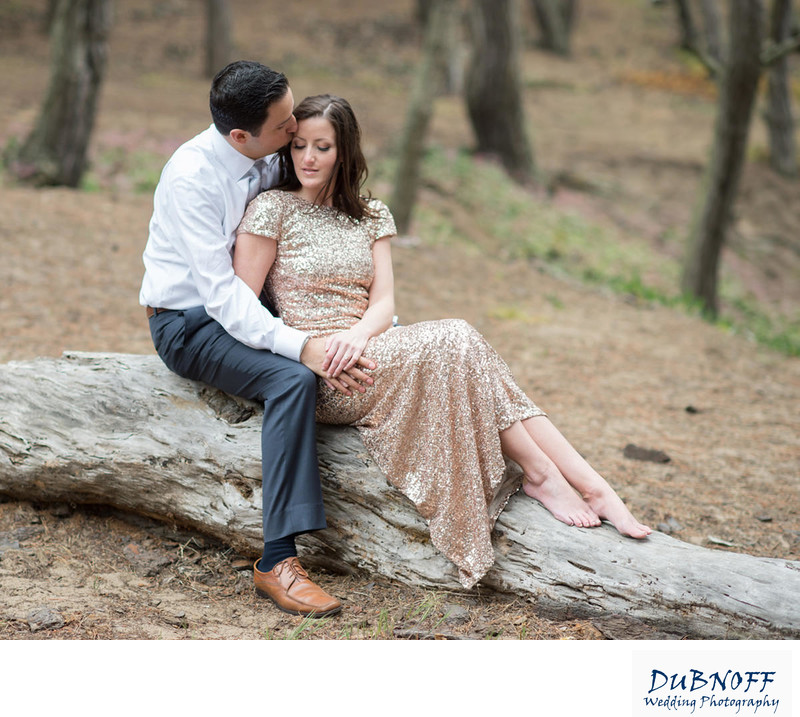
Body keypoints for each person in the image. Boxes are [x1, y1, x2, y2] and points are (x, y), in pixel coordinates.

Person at [233, 94, 652, 589]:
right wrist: (314, 349)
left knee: (466, 353)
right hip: (324, 371)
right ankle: (558, 478)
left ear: (343, 151)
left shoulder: (371, 215)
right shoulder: (270, 209)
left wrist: (356, 335)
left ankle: (582, 484)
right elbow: (244, 306)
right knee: (456, 338)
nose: (307, 157)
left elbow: (383, 303)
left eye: (322, 147)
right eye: (299, 145)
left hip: (366, 345)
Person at [139, 62, 372, 618]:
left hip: (253, 307)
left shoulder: (268, 152)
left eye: (292, 113)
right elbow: (220, 297)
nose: (295, 130)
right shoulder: (192, 178)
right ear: (239, 135)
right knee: (292, 379)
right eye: (283, 124)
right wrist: (303, 347)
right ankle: (277, 560)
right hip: (188, 321)